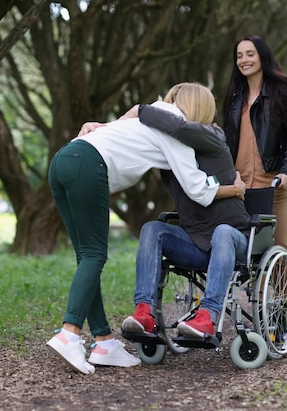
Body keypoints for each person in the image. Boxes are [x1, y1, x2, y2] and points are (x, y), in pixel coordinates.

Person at [47, 83, 246, 375]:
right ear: (200, 109)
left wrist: (104, 125)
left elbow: (137, 112)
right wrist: (235, 189)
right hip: (90, 166)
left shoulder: (152, 114)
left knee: (86, 258)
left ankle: (103, 342)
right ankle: (69, 334)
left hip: (64, 159)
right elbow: (198, 191)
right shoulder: (174, 130)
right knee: (93, 256)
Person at [121, 87, 250, 339]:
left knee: (223, 232)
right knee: (152, 229)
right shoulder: (170, 149)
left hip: (234, 241)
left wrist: (141, 110)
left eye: (176, 104)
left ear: (193, 106)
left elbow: (179, 128)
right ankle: (144, 311)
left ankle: (208, 316)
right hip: (197, 243)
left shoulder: (213, 135)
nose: (170, 110)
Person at [221, 34, 287, 253]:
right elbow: (228, 138)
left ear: (262, 57)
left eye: (250, 54)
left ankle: (280, 288)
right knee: (240, 252)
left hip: (273, 185)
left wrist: (286, 172)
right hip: (239, 187)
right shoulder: (234, 96)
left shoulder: (284, 91)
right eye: (239, 56)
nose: (244, 60)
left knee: (278, 249)